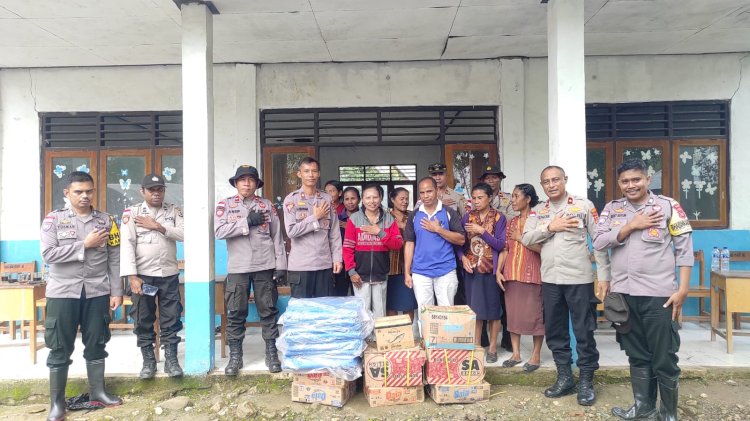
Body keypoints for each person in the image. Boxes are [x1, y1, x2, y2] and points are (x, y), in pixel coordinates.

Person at [594, 159, 693, 421]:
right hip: (624, 295)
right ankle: (643, 406)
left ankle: (668, 413)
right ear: (619, 184)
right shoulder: (612, 209)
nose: (631, 185)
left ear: (648, 179)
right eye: (625, 181)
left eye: (636, 179)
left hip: (659, 295)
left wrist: (682, 289)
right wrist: (631, 225)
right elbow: (599, 241)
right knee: (636, 353)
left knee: (664, 355)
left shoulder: (668, 206)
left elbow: (684, 250)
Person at [521, 165, 610, 406]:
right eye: (546, 181)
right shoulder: (539, 211)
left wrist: (603, 276)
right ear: (542, 185)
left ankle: (586, 381)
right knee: (556, 331)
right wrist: (550, 227)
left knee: (583, 331)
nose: (551, 185)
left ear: (565, 180)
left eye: (555, 180)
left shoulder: (583, 206)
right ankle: (565, 377)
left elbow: (600, 241)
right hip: (550, 279)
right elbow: (526, 238)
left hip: (579, 279)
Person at [40, 171, 123, 421]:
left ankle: (97, 392)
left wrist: (116, 291)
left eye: (89, 191)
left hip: (97, 292)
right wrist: (83, 245)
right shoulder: (53, 220)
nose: (84, 196)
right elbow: (48, 254)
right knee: (59, 347)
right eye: (78, 192)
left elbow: (115, 258)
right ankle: (56, 403)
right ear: (67, 193)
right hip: (63, 292)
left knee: (97, 342)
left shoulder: (107, 221)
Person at [215, 165, 287, 375]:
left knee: (268, 311)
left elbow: (277, 236)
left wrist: (281, 265)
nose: (246, 183)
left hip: (265, 265)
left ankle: (271, 353)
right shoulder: (225, 205)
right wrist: (245, 222)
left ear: (257, 183)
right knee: (236, 312)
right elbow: (219, 231)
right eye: (242, 179)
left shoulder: (266, 205)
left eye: (251, 179)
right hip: (239, 267)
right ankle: (236, 357)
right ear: (235, 183)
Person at [119, 173, 185, 379]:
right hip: (143, 278)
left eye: (160, 190)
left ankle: (171, 361)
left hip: (168, 276)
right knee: (143, 318)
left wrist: (158, 226)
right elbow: (127, 246)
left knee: (171, 318)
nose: (156, 194)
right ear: (142, 191)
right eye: (152, 190)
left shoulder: (173, 211)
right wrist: (132, 277)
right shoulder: (132, 213)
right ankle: (148, 361)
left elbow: (185, 234)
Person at [497, 184, 545, 372]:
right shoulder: (511, 223)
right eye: (513, 196)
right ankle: (516, 354)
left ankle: (535, 355)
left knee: (535, 317)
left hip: (532, 275)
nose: (513, 200)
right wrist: (498, 271)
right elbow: (505, 249)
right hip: (511, 274)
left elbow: (544, 249)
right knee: (513, 316)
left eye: (517, 196)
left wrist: (520, 238)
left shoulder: (539, 221)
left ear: (528, 199)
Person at [457, 183, 507, 363]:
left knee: (494, 311)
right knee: (475, 311)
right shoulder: (467, 217)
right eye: (474, 198)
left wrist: (482, 232)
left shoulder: (499, 218)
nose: (476, 201)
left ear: (490, 198)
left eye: (480, 198)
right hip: (472, 271)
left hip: (491, 270)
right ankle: (477, 346)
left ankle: (493, 347)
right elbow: (460, 243)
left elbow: (501, 244)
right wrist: (462, 258)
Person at [404, 177, 465, 319]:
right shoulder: (414, 215)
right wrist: (407, 272)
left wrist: (438, 229)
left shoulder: (449, 212)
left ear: (437, 191)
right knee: (425, 312)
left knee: (446, 311)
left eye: (429, 191)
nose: (426, 196)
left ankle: (445, 341)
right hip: (421, 272)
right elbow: (409, 244)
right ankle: (427, 341)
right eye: (422, 193)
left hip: (446, 270)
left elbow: (461, 240)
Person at [283, 157, 343, 298]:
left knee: (324, 311)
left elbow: (334, 233)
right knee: (302, 312)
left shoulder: (326, 199)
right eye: (307, 171)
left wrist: (337, 259)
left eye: (314, 171)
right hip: (300, 267)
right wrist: (315, 218)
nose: (311, 175)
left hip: (324, 265)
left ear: (319, 174)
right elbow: (291, 231)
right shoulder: (291, 199)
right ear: (299, 174)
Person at [343, 183, 404, 319]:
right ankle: (365, 338)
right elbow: (347, 247)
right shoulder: (354, 219)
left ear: (381, 198)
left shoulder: (389, 219)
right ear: (362, 200)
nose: (372, 201)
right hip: (359, 275)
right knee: (362, 312)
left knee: (380, 312)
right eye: (368, 197)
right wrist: (351, 271)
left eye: (375, 197)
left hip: (380, 274)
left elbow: (398, 244)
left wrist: (380, 232)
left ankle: (379, 339)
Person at [478, 164, 517, 352]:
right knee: (481, 301)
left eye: (495, 177)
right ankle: (484, 340)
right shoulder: (475, 201)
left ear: (500, 179)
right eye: (488, 178)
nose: (491, 180)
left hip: (506, 251)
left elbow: (511, 222)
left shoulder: (509, 200)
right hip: (482, 256)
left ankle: (507, 340)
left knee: (504, 299)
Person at [386, 188, 418, 320]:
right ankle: (395, 334)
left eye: (407, 198)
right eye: (401, 199)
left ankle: (408, 334)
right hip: (389, 266)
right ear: (393, 200)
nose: (405, 202)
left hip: (409, 266)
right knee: (390, 303)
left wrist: (405, 226)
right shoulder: (385, 216)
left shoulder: (413, 216)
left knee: (408, 303)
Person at [325, 180, 350, 297]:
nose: (329, 193)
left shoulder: (345, 209)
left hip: (342, 251)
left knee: (340, 287)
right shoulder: (322, 208)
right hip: (325, 252)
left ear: (339, 193)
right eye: (326, 191)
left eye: (332, 191)